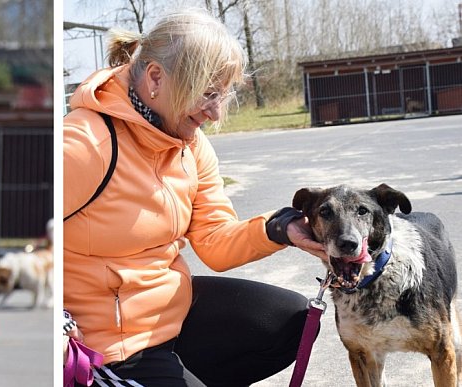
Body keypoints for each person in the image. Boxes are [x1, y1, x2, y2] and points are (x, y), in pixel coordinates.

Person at [63, 8, 327, 387]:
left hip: (172, 319)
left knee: (291, 322)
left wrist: (281, 229)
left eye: (223, 94)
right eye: (207, 93)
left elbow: (214, 242)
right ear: (156, 77)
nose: (216, 111)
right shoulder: (85, 145)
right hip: (110, 349)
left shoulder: (190, 144)